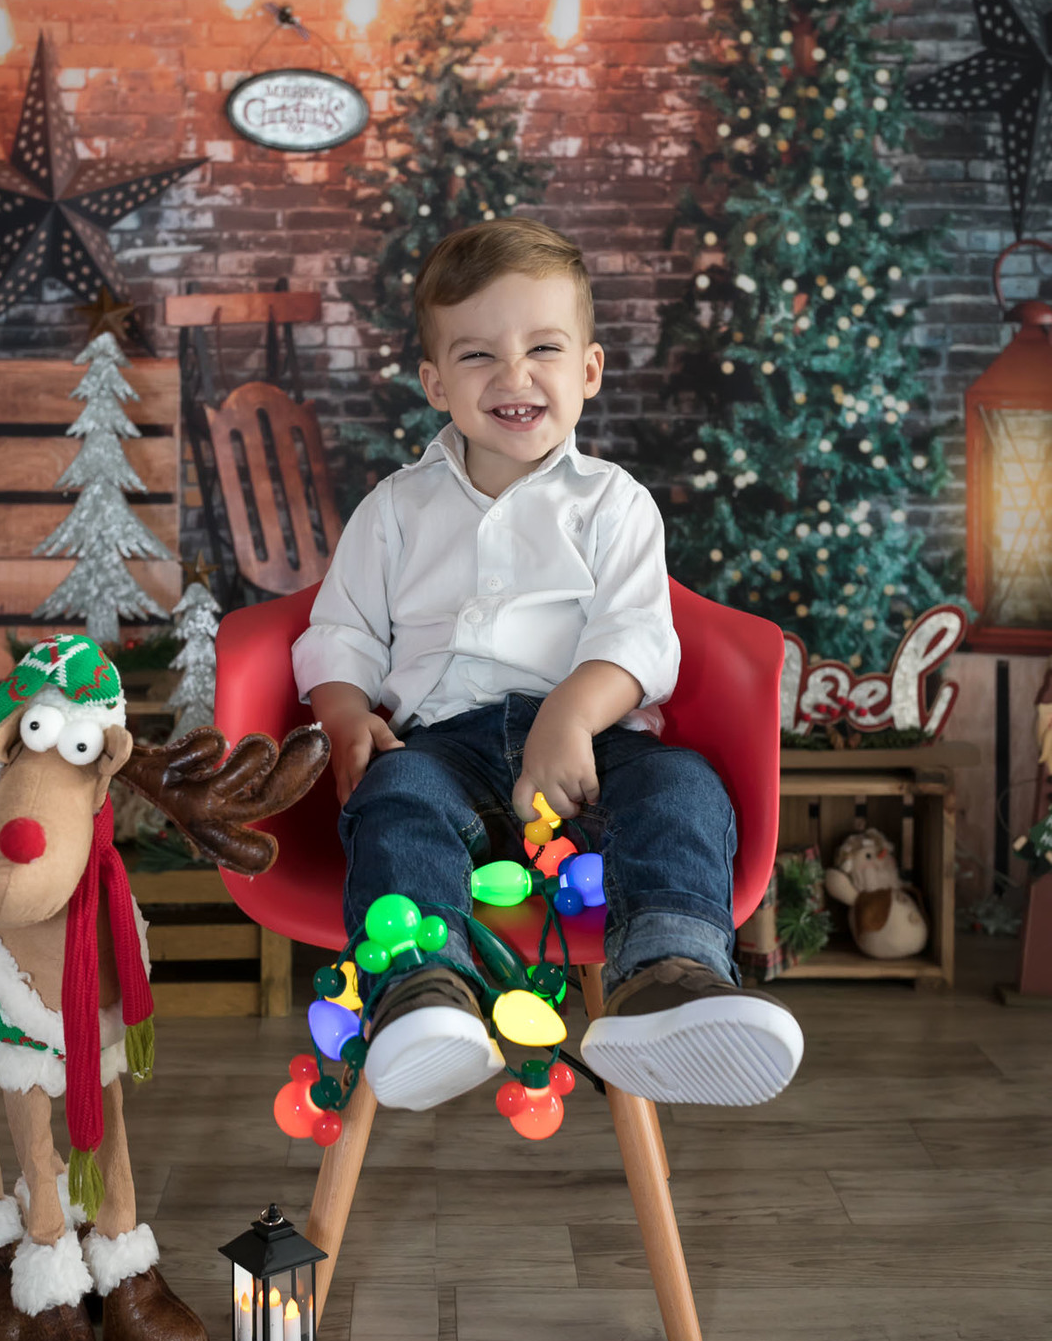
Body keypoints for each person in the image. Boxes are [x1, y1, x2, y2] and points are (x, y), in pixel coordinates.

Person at [293, 218, 803, 1113]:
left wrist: (569, 715)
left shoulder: (612, 503)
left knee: (681, 786)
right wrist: (343, 713)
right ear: (434, 382)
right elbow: (342, 631)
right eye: (478, 355)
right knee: (395, 798)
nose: (514, 376)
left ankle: (670, 979)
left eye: (543, 349)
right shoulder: (396, 510)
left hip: (590, 755)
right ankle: (421, 993)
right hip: (440, 749)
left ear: (589, 370)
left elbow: (638, 639)